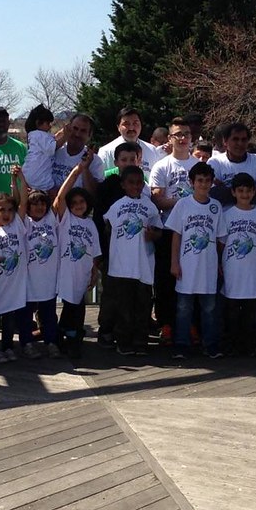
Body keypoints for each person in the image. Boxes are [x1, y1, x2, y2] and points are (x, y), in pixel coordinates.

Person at [167, 162, 226, 360]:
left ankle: (210, 344)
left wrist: (219, 263)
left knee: (209, 308)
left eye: (207, 181)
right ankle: (182, 344)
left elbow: (220, 239)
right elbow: (176, 236)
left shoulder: (216, 207)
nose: (203, 184)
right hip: (187, 266)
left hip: (208, 266)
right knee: (184, 308)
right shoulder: (183, 204)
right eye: (199, 180)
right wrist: (174, 262)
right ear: (192, 182)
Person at [102, 165, 163, 355]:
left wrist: (154, 235)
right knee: (124, 307)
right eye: (131, 183)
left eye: (139, 183)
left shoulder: (149, 205)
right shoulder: (117, 205)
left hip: (143, 264)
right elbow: (107, 226)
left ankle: (141, 341)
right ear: (123, 184)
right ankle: (124, 341)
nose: (135, 186)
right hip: (121, 266)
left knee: (143, 305)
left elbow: (159, 230)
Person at [149, 118, 200, 344]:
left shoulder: (198, 166)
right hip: (169, 230)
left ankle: (191, 324)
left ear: (192, 138)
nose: (182, 138)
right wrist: (185, 201)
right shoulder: (162, 166)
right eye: (177, 134)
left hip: (195, 231)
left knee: (193, 278)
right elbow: (158, 200)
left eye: (186, 134)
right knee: (166, 279)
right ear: (170, 138)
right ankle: (166, 324)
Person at [52, 152, 102, 359]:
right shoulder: (66, 220)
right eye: (74, 202)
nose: (78, 205)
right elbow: (60, 197)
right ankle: (68, 336)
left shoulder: (90, 224)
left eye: (82, 201)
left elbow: (95, 252)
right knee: (71, 305)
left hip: (82, 272)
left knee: (78, 305)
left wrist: (94, 273)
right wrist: (77, 170)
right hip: (66, 270)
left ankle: (71, 334)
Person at [219, 173, 256, 356]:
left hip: (253, 270)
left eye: (248, 191)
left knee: (250, 310)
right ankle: (232, 343)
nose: (245, 194)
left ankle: (249, 344)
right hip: (232, 269)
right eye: (240, 191)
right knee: (231, 309)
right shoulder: (227, 215)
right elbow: (221, 243)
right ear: (233, 192)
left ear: (254, 192)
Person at [0, 166, 31, 362]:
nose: (7, 213)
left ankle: (8, 346)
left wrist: (18, 178)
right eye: (2, 210)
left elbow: (23, 201)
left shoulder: (17, 226)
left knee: (10, 318)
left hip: (13, 284)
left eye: (10, 210)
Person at [25, 188, 60, 358]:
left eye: (42, 203)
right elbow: (20, 200)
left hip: (48, 280)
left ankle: (51, 342)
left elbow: (60, 196)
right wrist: (19, 179)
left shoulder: (51, 219)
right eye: (35, 204)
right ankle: (27, 344)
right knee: (25, 315)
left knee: (49, 315)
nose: (39, 207)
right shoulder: (24, 222)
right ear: (28, 207)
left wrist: (78, 169)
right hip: (28, 280)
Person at [207, 122, 256, 207]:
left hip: (253, 218)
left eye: (244, 139)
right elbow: (214, 194)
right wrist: (252, 190)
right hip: (224, 218)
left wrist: (225, 188)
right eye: (235, 139)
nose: (240, 143)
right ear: (225, 141)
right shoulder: (215, 163)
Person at [50, 113, 104, 196]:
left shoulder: (95, 161)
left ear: (89, 135)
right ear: (68, 128)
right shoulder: (54, 151)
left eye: (83, 131)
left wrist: (85, 169)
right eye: (75, 128)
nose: (77, 134)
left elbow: (94, 194)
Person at [97, 106, 160, 173]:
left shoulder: (152, 151)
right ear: (118, 127)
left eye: (135, 123)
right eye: (126, 124)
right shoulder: (106, 152)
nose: (131, 128)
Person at [22, 104, 67, 193]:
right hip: (38, 175)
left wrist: (61, 133)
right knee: (54, 192)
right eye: (48, 123)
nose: (50, 126)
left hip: (31, 172)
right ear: (38, 123)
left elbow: (52, 139)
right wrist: (66, 136)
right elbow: (52, 148)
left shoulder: (35, 135)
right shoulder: (39, 135)